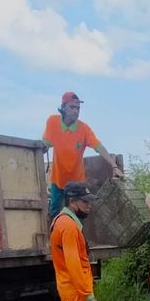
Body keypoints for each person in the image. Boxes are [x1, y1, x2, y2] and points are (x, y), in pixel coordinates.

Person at [41, 91, 123, 219]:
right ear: (63, 108)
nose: (76, 111)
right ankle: (55, 237)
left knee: (79, 215)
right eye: (72, 107)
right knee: (55, 214)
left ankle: (78, 237)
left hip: (77, 182)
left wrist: (114, 166)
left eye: (78, 108)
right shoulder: (53, 122)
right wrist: (40, 148)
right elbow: (46, 143)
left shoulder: (84, 129)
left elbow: (98, 147)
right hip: (58, 180)